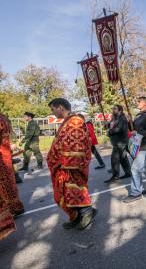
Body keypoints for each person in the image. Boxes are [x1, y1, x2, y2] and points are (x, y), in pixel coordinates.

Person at [47, 98, 96, 230]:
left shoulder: (75, 121)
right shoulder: (67, 122)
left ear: (61, 108)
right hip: (63, 165)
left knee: (75, 189)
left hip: (71, 165)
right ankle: (76, 216)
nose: (53, 113)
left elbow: (76, 144)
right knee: (66, 191)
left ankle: (86, 212)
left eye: (53, 109)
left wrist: (67, 162)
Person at [123, 96, 146, 203]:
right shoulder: (138, 116)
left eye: (139, 101)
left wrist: (137, 133)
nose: (137, 102)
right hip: (138, 144)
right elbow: (133, 129)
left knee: (135, 168)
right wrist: (129, 122)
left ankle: (136, 192)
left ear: (145, 103)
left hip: (145, 145)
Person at [0, 113, 23, 240]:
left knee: (5, 186)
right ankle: (17, 207)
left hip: (1, 158)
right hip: (5, 155)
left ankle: (12, 210)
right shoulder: (4, 117)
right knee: (9, 182)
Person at [104, 105, 132, 183]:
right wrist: (106, 124)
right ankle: (128, 173)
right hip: (116, 141)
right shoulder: (114, 118)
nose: (113, 110)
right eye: (113, 108)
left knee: (114, 158)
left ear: (120, 110)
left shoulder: (122, 118)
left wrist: (110, 132)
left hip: (121, 141)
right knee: (123, 158)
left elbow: (119, 129)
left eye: (114, 109)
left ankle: (115, 176)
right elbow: (110, 126)